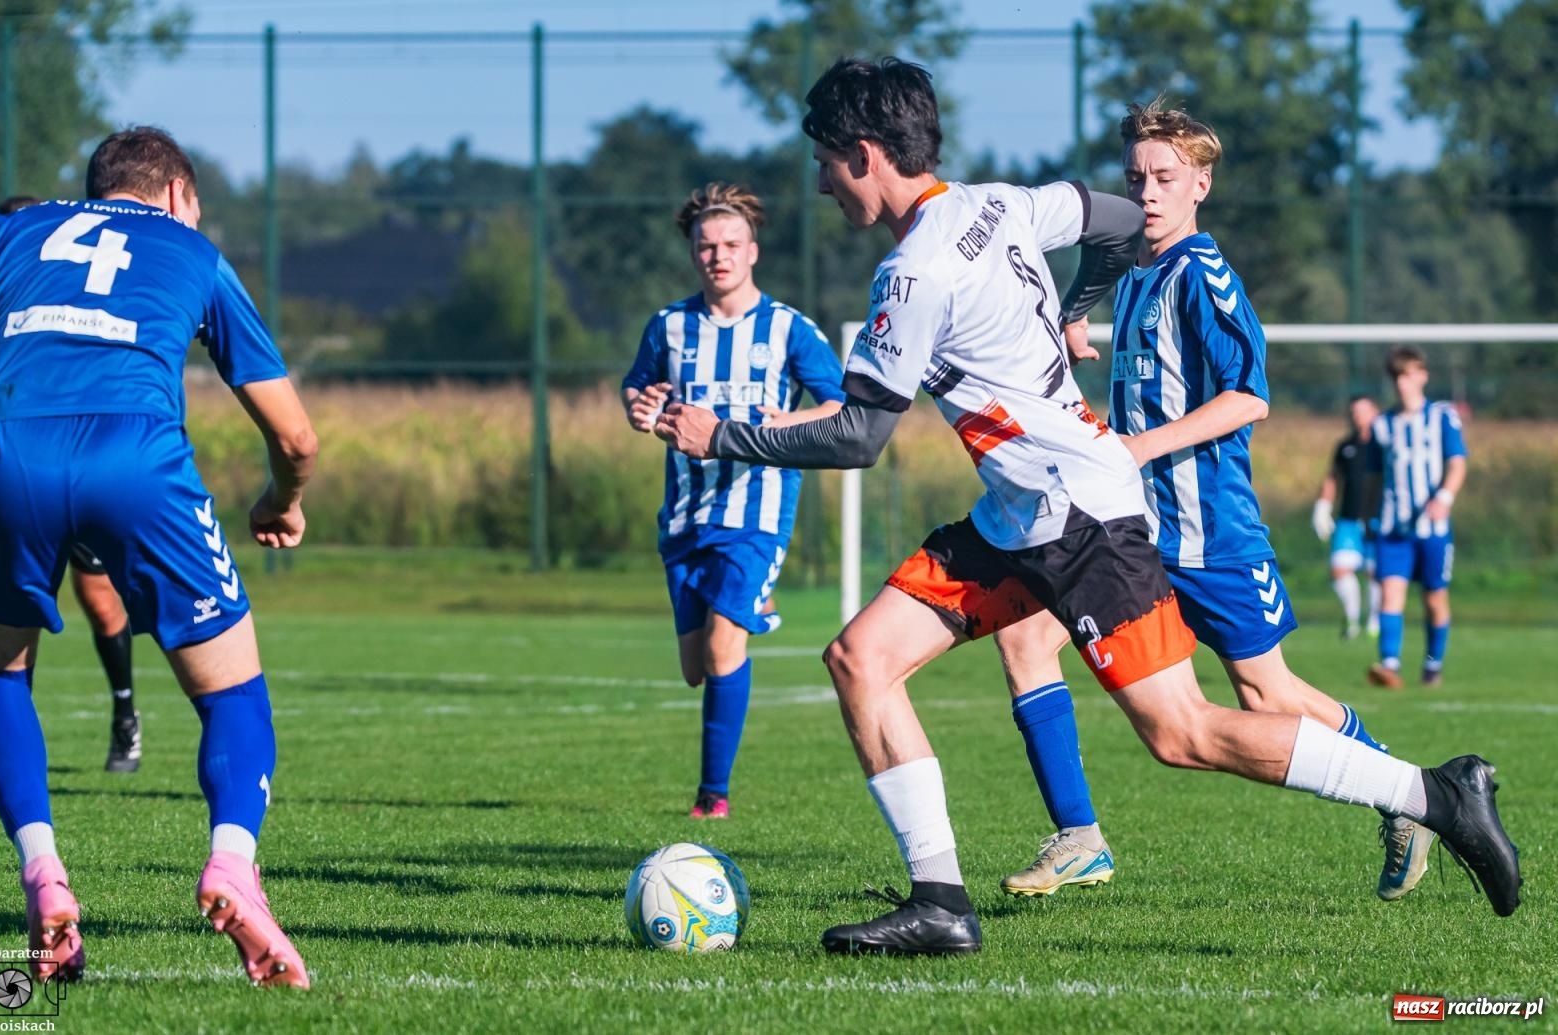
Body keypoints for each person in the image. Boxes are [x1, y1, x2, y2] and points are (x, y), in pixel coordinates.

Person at [652, 57, 1521, 957]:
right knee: (861, 657)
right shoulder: (1005, 202)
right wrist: (1074, 309)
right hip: (1018, 513)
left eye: (829, 162)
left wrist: (719, 435)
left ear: (866, 154)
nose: (825, 181)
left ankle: (1435, 796)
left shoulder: (911, 274)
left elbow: (859, 436)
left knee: (1182, 731)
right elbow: (1109, 221)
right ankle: (942, 901)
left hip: (1078, 516)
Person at [990, 100, 1424, 907]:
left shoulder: (1203, 275)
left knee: (1269, 695)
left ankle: (1407, 794)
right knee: (1024, 638)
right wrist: (1075, 324)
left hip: (1212, 534)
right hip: (1132, 532)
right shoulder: (1140, 272)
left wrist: (1140, 447)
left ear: (1201, 183)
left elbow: (1248, 399)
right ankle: (1080, 836)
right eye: (1135, 178)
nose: (1146, 192)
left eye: (1163, 177)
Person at [0, 127, 317, 987]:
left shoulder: (13, 228)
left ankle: (43, 872)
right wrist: (283, 499)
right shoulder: (189, 249)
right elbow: (295, 434)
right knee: (232, 690)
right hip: (137, 458)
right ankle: (232, 861)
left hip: (8, 454)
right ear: (174, 195)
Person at [622, 183, 844, 819]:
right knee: (696, 667)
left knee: (724, 648)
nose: (718, 256)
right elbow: (639, 392)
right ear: (694, 253)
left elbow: (839, 404)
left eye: (730, 245)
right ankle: (749, 605)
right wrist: (639, 411)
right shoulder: (668, 325)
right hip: (686, 514)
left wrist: (789, 425)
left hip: (758, 509)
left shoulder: (788, 329)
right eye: (706, 246)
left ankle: (712, 796)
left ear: (754, 251)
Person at [0, 197, 142, 774]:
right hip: (11, 458)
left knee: (98, 599)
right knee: (4, 610)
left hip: (80, 455)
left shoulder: (63, 290)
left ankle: (125, 714)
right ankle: (12, 733)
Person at [1366, 346, 1467, 690]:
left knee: (1434, 599)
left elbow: (1457, 463)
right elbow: (1374, 477)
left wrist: (1444, 497)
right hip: (1393, 528)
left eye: (1408, 375)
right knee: (1390, 594)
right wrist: (1367, 517)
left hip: (1433, 529)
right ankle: (1389, 666)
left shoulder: (1441, 417)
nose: (1402, 383)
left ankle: (1431, 664)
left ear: (1422, 375)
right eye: (1397, 377)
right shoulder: (1383, 425)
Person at [1313, 396, 1383, 641]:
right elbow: (1333, 478)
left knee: (1378, 573)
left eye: (1363, 411)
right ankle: (1352, 619)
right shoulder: (1345, 446)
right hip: (1348, 519)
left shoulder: (1384, 445)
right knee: (1340, 569)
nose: (1358, 416)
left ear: (1376, 412)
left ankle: (1376, 620)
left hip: (1379, 518)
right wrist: (1323, 506)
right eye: (1354, 411)